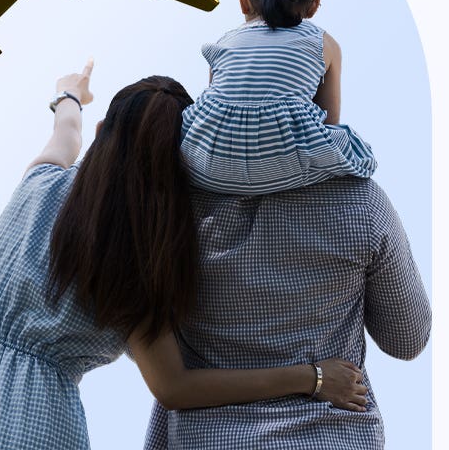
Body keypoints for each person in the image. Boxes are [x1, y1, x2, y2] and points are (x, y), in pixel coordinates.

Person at [0, 61, 367, 450]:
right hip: (36, 419)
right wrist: (314, 378)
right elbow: (174, 386)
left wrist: (69, 91)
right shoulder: (132, 254)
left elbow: (66, 133)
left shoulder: (40, 184)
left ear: (104, 131)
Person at [141, 173, 432, 449]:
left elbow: (150, 357)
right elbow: (407, 339)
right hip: (334, 437)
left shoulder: (163, 208)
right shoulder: (361, 201)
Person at [181, 0, 378, 195]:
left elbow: (222, 105)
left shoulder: (224, 43)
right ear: (314, 6)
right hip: (286, 164)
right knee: (356, 147)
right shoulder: (325, 44)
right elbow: (329, 123)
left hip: (206, 168)